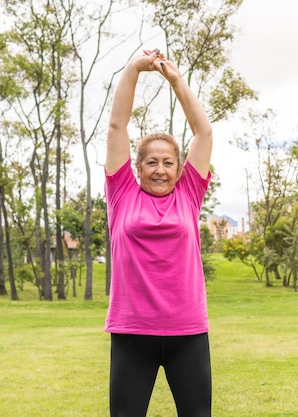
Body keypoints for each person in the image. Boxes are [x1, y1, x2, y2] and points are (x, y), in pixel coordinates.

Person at [104, 48, 213, 417]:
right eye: (151, 161)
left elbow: (204, 131)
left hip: (188, 333)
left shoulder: (189, 195)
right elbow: (117, 126)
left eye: (168, 162)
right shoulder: (121, 194)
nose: (160, 169)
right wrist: (134, 68)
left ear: (180, 168)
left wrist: (176, 80)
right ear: (137, 167)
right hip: (133, 332)